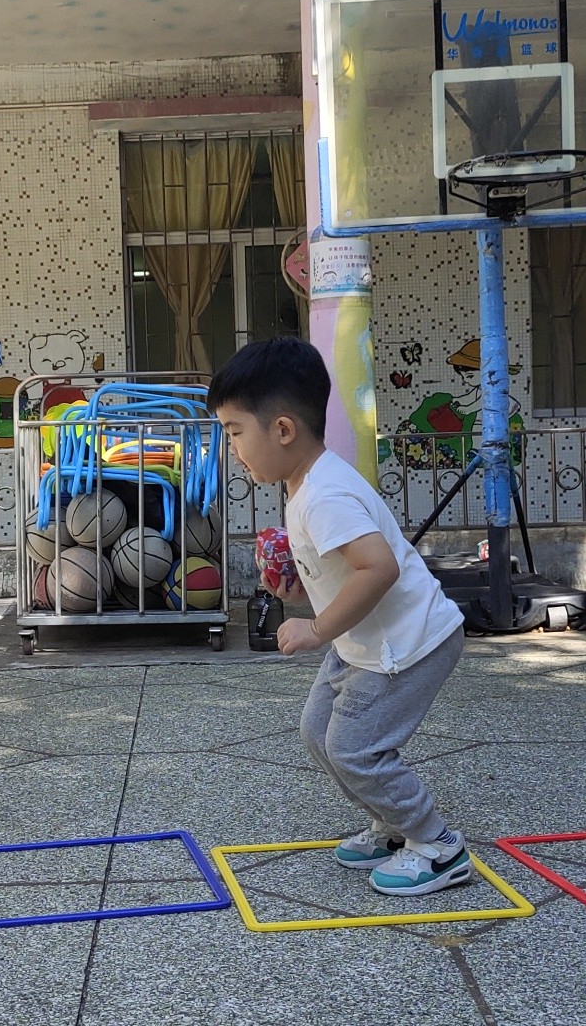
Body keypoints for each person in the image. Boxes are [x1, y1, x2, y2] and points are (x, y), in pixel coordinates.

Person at [209, 337, 472, 894]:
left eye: (235, 432)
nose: (232, 449)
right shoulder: (305, 482)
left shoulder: (325, 493)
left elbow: (379, 568)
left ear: (283, 429)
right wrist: (299, 593)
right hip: (365, 641)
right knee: (318, 732)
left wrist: (316, 628)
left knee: (355, 748)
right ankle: (392, 826)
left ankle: (438, 846)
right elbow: (345, 573)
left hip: (409, 643)